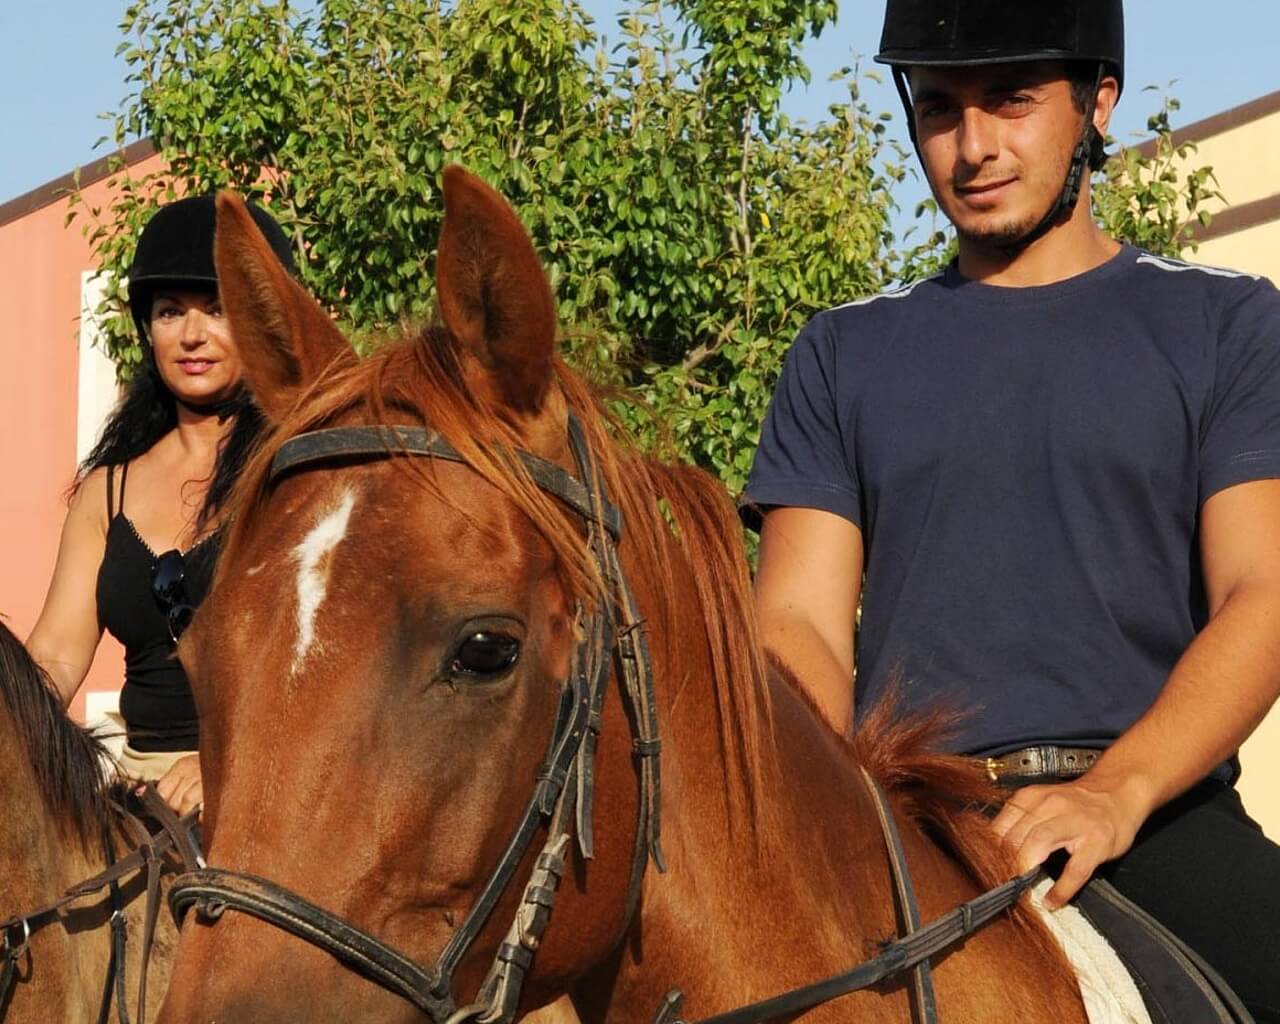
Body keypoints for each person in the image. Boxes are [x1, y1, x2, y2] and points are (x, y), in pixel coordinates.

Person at [742, 0, 1280, 1017]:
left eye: (1011, 101)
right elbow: (797, 622)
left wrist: (1112, 793)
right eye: (939, 108)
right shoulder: (841, 352)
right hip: (909, 821)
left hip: (1153, 814)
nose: (972, 145)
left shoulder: (1226, 321)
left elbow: (1262, 593)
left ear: (1097, 103)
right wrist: (856, 807)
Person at [26, 194, 297, 816]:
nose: (192, 335)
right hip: (141, 790)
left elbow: (347, 662)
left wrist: (224, 760)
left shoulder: (299, 468)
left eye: (219, 310)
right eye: (171, 311)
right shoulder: (107, 489)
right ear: (147, 330)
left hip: (278, 781)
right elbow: (57, 655)